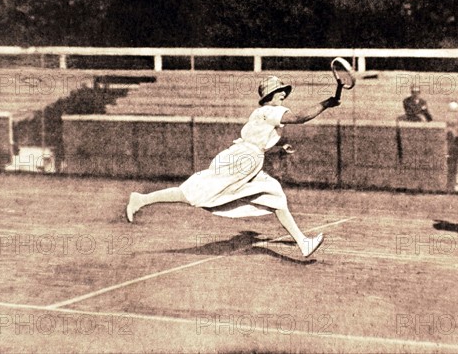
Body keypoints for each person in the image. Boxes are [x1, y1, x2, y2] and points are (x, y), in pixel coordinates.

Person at [125, 76, 340, 257]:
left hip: (249, 161)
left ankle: (303, 242)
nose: (283, 94)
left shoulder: (265, 114)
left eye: (283, 90)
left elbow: (257, 145)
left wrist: (278, 149)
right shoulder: (269, 111)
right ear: (269, 96)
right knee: (194, 192)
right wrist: (327, 103)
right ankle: (142, 199)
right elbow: (300, 117)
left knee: (275, 195)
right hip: (239, 161)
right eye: (279, 91)